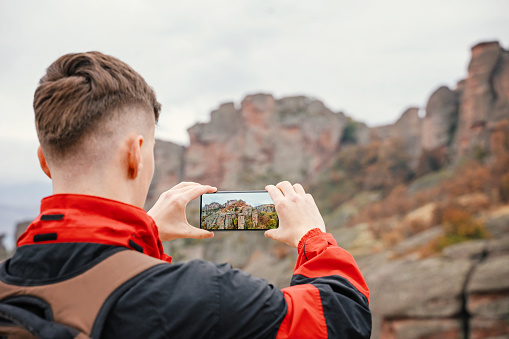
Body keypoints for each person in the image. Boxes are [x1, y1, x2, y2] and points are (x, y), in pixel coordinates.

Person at [0, 52, 371, 338]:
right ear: (135, 154)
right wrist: (313, 238)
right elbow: (342, 319)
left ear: (44, 162)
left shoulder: (8, 280)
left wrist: (143, 238)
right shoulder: (203, 295)